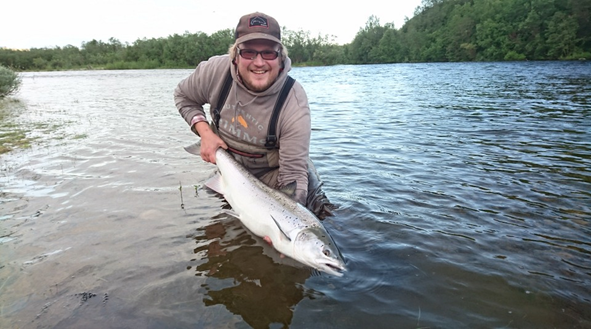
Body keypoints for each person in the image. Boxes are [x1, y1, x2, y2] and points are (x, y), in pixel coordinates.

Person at [174, 12, 334, 219]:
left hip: (278, 176)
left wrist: (282, 225)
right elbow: (184, 97)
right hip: (233, 169)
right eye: (249, 53)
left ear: (281, 57)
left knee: (323, 221)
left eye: (268, 53)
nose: (259, 63)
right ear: (235, 55)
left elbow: (293, 174)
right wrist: (205, 133)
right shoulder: (214, 71)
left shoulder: (294, 101)